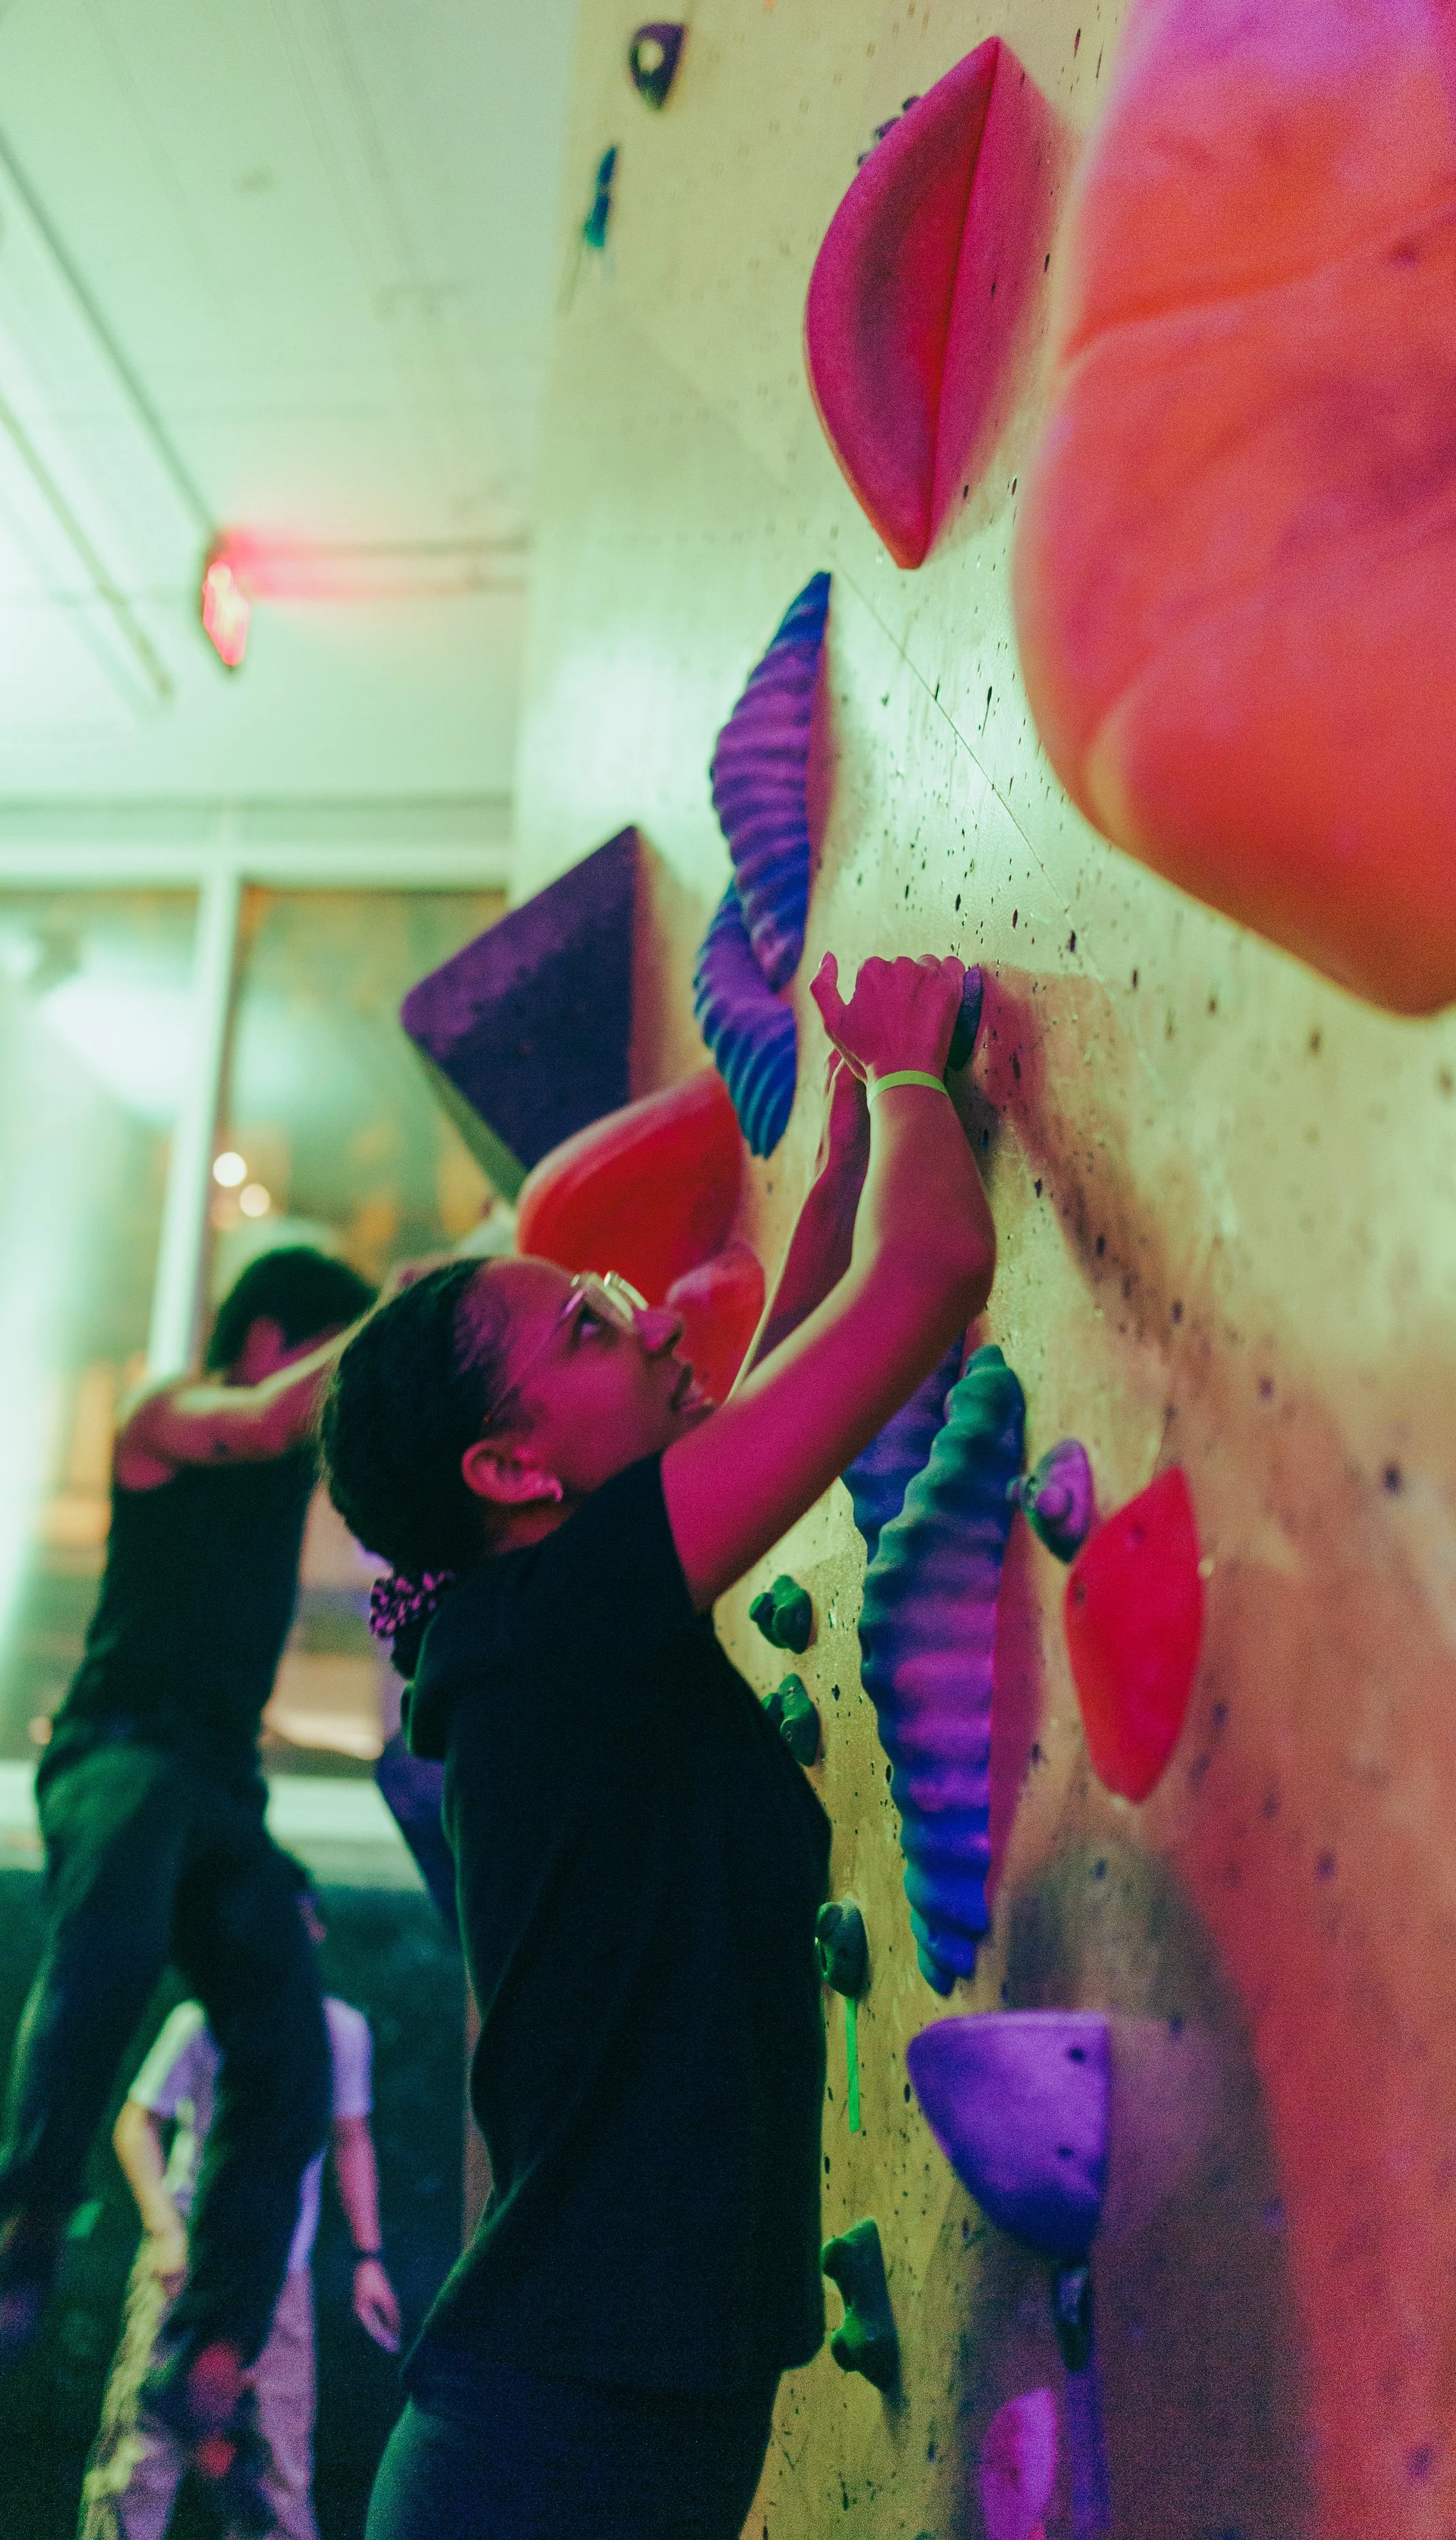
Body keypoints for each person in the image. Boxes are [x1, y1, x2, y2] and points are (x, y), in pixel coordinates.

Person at [318, 952, 996, 2540]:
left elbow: (782, 1381)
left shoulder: (545, 1632)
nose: (639, 1318)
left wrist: (833, 1176)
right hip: (555, 2442)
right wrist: (906, 1073)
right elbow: (935, 1272)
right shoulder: (559, 1627)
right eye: (587, 1324)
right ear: (510, 1466)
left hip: (590, 2413)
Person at [0, 1246, 377, 2531]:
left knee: (292, 2054)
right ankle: (31, 2214)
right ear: (267, 1334)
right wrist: (404, 1315)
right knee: (118, 1921)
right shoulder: (163, 1417)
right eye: (323, 1351)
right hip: (117, 1753)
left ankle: (214, 2344)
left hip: (221, 1789)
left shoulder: (292, 1471)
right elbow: (260, 1420)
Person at [80, 1871, 402, 2540]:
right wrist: (164, 2227)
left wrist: (368, 2257)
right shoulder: (202, 2019)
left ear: (315, 1931)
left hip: (280, 2273)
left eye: (298, 1924)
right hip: (185, 2267)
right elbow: (137, 2122)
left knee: (281, 2459)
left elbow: (351, 2137)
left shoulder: (338, 2030)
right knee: (144, 2455)